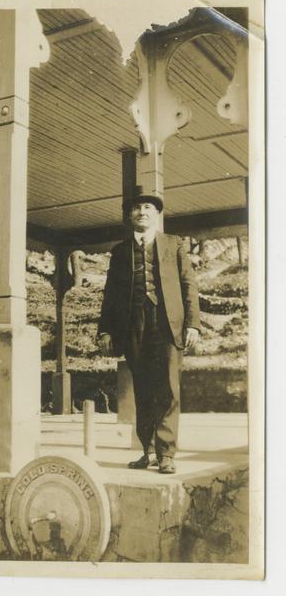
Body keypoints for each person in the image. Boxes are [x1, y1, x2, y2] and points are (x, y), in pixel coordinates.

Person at [98, 185, 200, 474]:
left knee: (168, 387)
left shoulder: (174, 244)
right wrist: (105, 330)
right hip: (134, 325)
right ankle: (147, 450)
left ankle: (166, 454)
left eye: (147, 208)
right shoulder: (120, 252)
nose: (141, 212)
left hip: (169, 324)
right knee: (142, 389)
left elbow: (189, 285)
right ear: (130, 216)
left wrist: (193, 324)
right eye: (136, 208)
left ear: (156, 215)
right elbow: (110, 294)